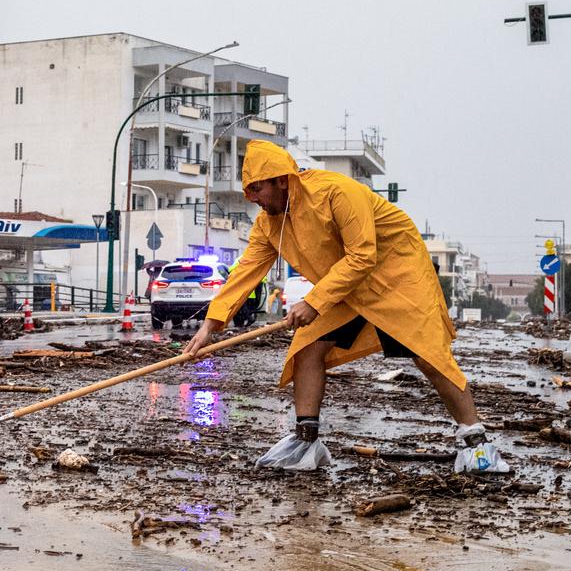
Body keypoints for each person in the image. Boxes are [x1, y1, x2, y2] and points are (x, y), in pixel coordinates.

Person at [183, 140, 506, 473]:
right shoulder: (270, 223)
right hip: (346, 286)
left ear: (283, 179)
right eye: (248, 190)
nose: (253, 198)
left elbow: (363, 255)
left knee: (427, 353)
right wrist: (211, 325)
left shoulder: (337, 192)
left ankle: (476, 444)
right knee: (307, 347)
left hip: (396, 276)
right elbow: (245, 271)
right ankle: (305, 442)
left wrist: (314, 301)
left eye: (257, 188)